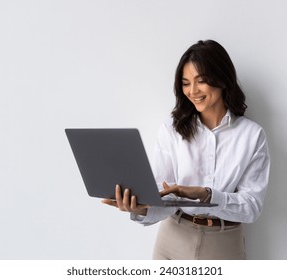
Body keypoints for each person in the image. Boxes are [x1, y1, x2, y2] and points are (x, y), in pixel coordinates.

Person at [102, 40, 270, 260]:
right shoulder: (172, 128)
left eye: (201, 81)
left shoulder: (252, 135)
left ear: (222, 79)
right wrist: (139, 208)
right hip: (173, 238)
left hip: (224, 244)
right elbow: (163, 197)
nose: (192, 91)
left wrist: (207, 195)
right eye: (185, 83)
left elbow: (251, 207)